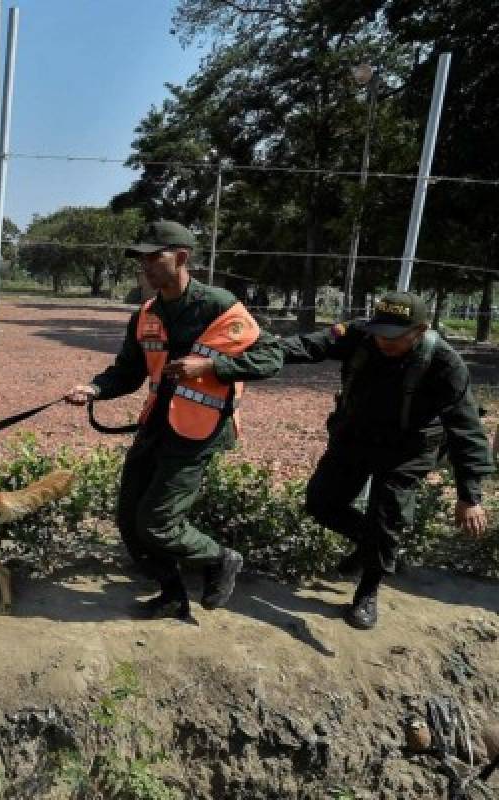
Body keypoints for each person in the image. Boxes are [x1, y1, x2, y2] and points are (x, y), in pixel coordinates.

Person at [65, 220, 283, 621]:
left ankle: (220, 558)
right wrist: (95, 389)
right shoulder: (146, 313)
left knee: (158, 521)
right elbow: (128, 371)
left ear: (181, 257)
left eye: (154, 256)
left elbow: (271, 357)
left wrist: (211, 366)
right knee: (131, 521)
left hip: (198, 430)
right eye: (141, 259)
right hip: (156, 424)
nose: (145, 266)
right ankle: (171, 595)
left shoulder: (218, 305)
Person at [280, 291, 492, 629]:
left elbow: (466, 430)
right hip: (356, 436)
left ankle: (367, 592)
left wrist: (470, 495)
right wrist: (260, 350)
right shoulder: (362, 336)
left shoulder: (445, 364)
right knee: (321, 503)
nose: (383, 341)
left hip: (408, 450)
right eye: (379, 332)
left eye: (394, 336)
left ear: (420, 331)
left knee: (387, 513)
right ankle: (372, 546)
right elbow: (309, 346)